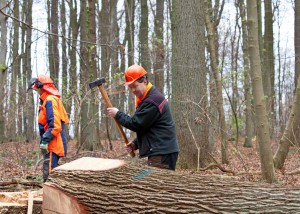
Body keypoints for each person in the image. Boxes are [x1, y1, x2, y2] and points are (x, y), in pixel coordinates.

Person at [107, 64, 179, 170]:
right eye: (130, 88)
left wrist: (118, 114)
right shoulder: (147, 99)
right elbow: (149, 127)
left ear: (144, 81)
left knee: (157, 185)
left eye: (135, 86)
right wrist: (136, 144)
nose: (133, 90)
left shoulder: (152, 101)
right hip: (162, 150)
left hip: (162, 152)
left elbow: (137, 124)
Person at [28, 74, 69, 182]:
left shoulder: (50, 100)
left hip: (54, 143)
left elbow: (55, 125)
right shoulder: (46, 101)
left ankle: (50, 197)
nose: (37, 91)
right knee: (50, 172)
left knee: (49, 175)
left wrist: (45, 140)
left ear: (42, 87)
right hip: (52, 143)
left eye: (37, 89)